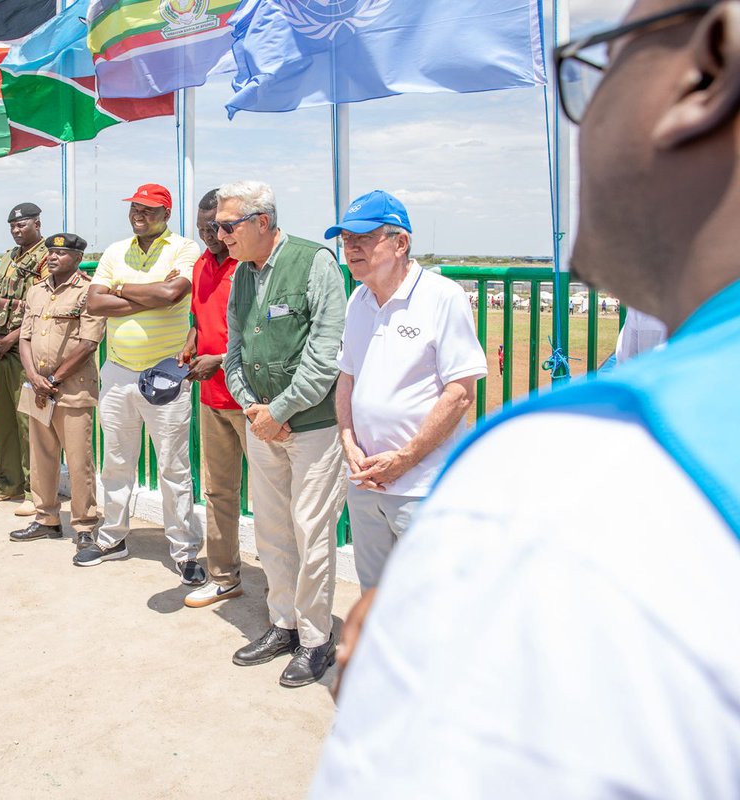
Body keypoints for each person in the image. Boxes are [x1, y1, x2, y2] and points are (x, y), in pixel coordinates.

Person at [313, 3, 740, 796]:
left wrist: (388, 683)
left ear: (707, 68)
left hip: (416, 485)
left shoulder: (554, 481)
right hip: (368, 482)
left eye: (595, 66)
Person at [218, 180, 348, 688]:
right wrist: (253, 407)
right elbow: (233, 348)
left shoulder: (315, 263)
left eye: (229, 225)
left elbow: (325, 354)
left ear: (261, 222)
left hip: (312, 428)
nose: (221, 234)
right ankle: (283, 624)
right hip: (262, 426)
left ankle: (317, 641)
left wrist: (282, 409)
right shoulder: (240, 277)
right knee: (271, 530)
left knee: (311, 533)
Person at [329, 190, 485, 591]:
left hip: (421, 486)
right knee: (374, 593)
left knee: (428, 598)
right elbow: (346, 378)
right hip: (365, 480)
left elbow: (461, 393)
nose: (351, 248)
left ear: (401, 243)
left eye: (364, 237)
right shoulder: (358, 299)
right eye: (346, 239)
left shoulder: (442, 297)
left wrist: (405, 459)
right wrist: (349, 443)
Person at [78, 183, 205, 584]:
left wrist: (121, 289)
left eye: (149, 210)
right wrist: (145, 295)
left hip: (164, 373)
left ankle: (184, 550)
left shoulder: (184, 248)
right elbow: (94, 302)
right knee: (115, 462)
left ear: (166, 214)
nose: (139, 215)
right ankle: (113, 537)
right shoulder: (116, 250)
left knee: (173, 467)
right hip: (117, 371)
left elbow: (172, 293)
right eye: (135, 208)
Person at [10, 232, 104, 548]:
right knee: (41, 458)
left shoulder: (88, 291)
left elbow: (89, 343)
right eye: (50, 252)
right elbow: (25, 337)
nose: (52, 257)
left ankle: (85, 524)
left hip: (72, 389)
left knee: (79, 461)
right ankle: (46, 519)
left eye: (61, 254)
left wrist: (54, 380)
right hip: (37, 388)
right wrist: (34, 376)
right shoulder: (35, 291)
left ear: (77, 259)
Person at [179, 189, 246, 608]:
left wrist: (217, 359)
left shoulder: (250, 265)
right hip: (211, 398)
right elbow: (201, 319)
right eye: (204, 227)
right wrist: (191, 343)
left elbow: (262, 336)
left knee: (277, 499)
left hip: (252, 399)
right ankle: (224, 576)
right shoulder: (203, 264)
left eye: (218, 227)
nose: (211, 235)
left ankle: (286, 584)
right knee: (219, 491)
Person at [0, 202, 48, 516]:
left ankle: (36, 489)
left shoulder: (46, 256)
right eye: (13, 227)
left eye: (23, 225)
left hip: (24, 353)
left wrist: (12, 339)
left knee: (28, 423)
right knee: (2, 420)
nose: (18, 231)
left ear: (37, 224)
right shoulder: (8, 256)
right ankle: (8, 483)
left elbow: (41, 307)